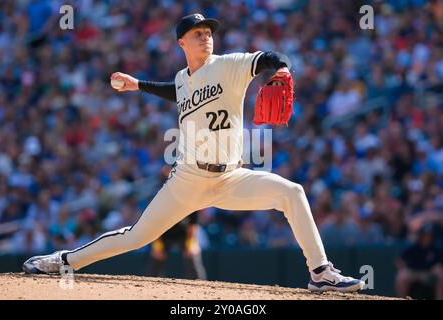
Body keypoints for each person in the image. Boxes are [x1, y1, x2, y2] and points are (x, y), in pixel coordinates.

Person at [23, 13, 365, 293]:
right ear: (181, 42)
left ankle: (320, 273)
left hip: (231, 177)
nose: (206, 37)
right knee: (137, 236)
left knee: (293, 192)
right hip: (188, 178)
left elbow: (271, 58)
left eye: (208, 32)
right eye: (197, 33)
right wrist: (138, 84)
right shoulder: (183, 79)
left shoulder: (230, 65)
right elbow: (180, 92)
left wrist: (282, 70)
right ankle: (64, 260)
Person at [395, 223, 443, 299]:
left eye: (429, 235)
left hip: (429, 274)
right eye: (425, 235)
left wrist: (437, 269)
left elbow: (439, 265)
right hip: (414, 274)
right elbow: (399, 260)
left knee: (441, 276)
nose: (427, 238)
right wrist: (405, 268)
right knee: (402, 277)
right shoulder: (413, 247)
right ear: (421, 236)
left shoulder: (436, 249)